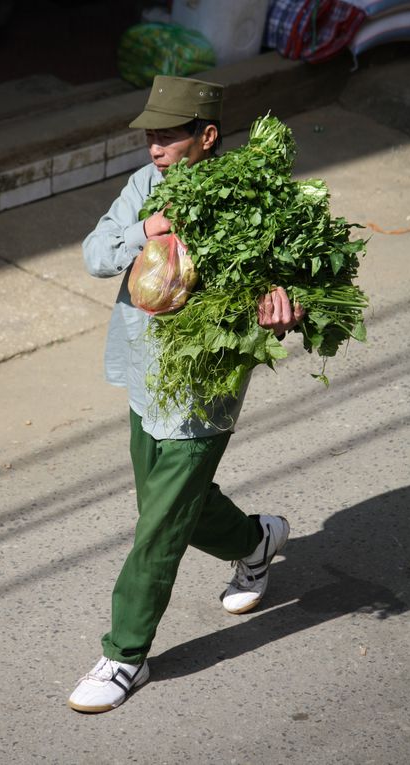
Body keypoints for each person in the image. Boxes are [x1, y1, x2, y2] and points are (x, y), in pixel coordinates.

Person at [68, 75, 304, 714]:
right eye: (150, 136)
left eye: (169, 136)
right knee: (172, 506)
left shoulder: (253, 198)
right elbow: (94, 254)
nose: (155, 148)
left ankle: (124, 656)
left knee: (159, 527)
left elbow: (296, 287)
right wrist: (147, 226)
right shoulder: (145, 187)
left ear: (206, 136)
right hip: (145, 373)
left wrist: (290, 311)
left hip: (205, 389)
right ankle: (256, 541)